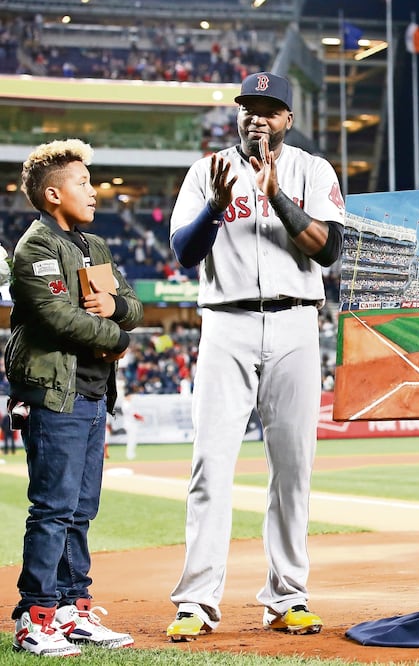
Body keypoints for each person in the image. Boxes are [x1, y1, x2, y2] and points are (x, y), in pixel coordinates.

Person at [165, 71, 345, 640]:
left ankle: (288, 597)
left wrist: (275, 197)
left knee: (293, 470)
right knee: (210, 467)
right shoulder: (206, 172)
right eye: (248, 107)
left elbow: (331, 249)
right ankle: (195, 601)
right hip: (225, 323)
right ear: (238, 115)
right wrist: (218, 207)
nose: (256, 117)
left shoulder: (312, 170)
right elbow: (184, 252)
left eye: (269, 108)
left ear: (287, 119)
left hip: (296, 322)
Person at [5, 138, 143, 656]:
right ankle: (33, 615)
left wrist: (112, 305)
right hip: (53, 394)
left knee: (81, 509)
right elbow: (59, 318)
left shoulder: (93, 248)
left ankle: (71, 609)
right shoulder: (36, 246)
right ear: (52, 194)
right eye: (83, 182)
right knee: (53, 508)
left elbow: (129, 305)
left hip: (89, 395)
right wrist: (120, 338)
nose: (94, 190)